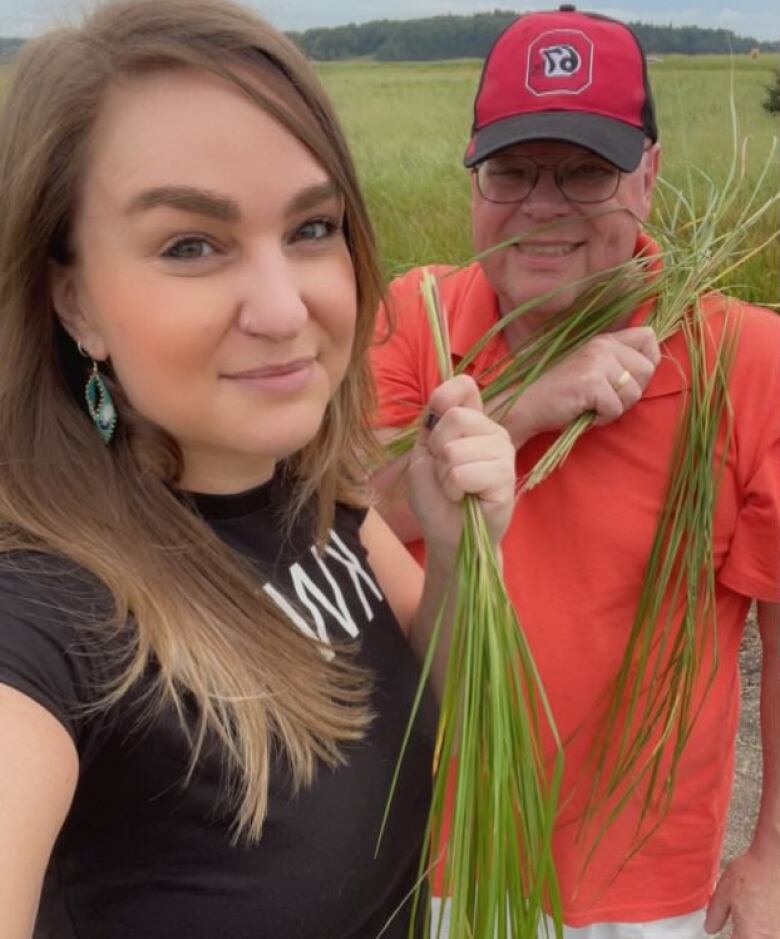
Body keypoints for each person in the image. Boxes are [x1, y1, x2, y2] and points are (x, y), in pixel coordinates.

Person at [0, 2, 518, 937]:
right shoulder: (46, 612)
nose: (284, 310)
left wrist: (457, 550)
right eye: (190, 245)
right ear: (72, 299)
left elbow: (448, 703)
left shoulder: (316, 496)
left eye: (313, 227)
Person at [371, 6, 780, 938]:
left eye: (586, 172)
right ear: (473, 175)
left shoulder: (745, 361)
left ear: (648, 176)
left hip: (642, 892)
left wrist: (770, 860)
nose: (542, 206)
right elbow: (336, 499)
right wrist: (524, 403)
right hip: (421, 864)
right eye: (511, 172)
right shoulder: (418, 317)